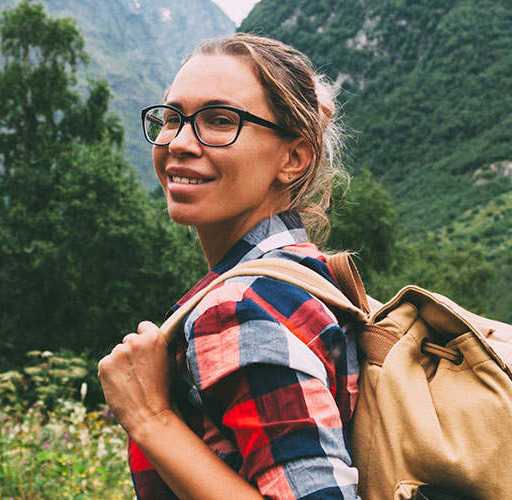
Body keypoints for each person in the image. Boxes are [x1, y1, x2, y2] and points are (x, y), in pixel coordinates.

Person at [97, 34, 360, 500]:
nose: (178, 142)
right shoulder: (311, 279)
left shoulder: (243, 306)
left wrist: (150, 418)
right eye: (171, 118)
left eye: (220, 121)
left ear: (293, 158)